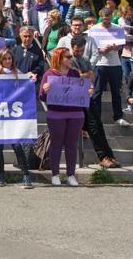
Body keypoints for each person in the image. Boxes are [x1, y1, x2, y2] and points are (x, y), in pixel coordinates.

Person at [40, 47, 92, 187]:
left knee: (72, 145)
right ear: (59, 58)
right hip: (56, 114)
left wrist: (88, 92)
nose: (70, 59)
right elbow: (42, 96)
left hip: (76, 114)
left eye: (70, 56)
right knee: (56, 144)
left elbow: (83, 93)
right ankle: (55, 174)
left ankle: (70, 174)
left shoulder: (75, 73)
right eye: (67, 57)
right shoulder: (49, 74)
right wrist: (45, 90)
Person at [69, 36, 118, 168]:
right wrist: (85, 75)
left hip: (87, 94)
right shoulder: (70, 60)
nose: (79, 53)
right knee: (92, 127)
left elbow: (91, 76)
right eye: (77, 50)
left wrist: (85, 76)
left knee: (99, 125)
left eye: (81, 50)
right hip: (76, 98)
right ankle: (102, 156)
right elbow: (76, 77)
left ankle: (110, 155)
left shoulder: (84, 59)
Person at [0, 48, 34, 189]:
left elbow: (26, 84)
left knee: (16, 145)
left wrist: (30, 77)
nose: (8, 61)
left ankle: (26, 174)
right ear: (0, 60)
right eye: (5, 59)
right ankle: (1, 176)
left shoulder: (17, 73)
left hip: (13, 114)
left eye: (10, 58)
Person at [91, 8, 129, 125]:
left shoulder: (117, 28)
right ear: (100, 17)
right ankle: (96, 117)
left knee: (116, 92)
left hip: (115, 64)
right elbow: (90, 46)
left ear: (112, 17)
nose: (106, 22)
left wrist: (113, 47)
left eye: (108, 19)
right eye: (103, 19)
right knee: (97, 92)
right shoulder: (94, 29)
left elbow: (121, 45)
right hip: (99, 63)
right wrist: (99, 49)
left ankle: (118, 116)